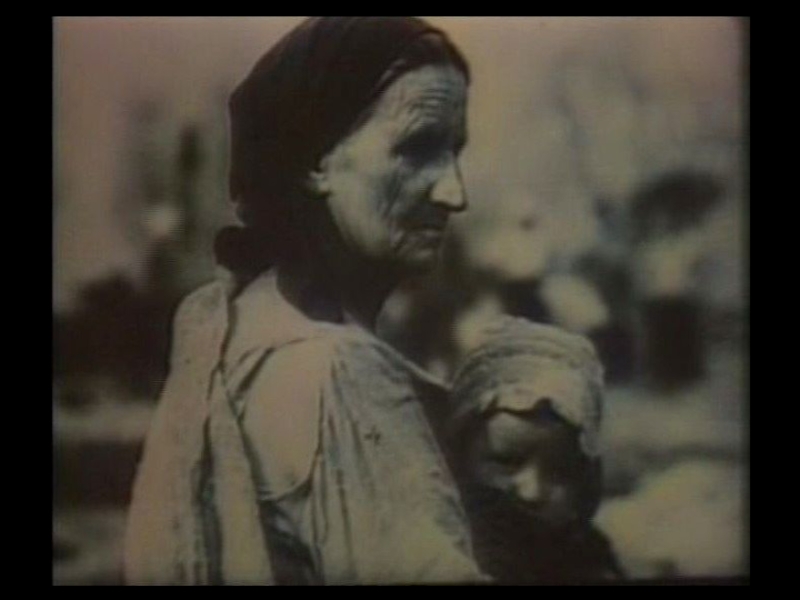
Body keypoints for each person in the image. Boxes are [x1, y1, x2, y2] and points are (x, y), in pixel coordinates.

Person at [123, 17, 485, 585]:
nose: (453, 194)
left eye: (454, 152)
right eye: (417, 149)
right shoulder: (334, 370)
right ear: (315, 160)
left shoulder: (244, 324)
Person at [448, 316, 624, 584]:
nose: (532, 492)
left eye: (561, 472)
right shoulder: (434, 554)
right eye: (506, 461)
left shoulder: (589, 563)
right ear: (458, 458)